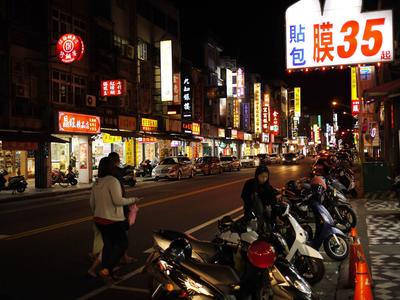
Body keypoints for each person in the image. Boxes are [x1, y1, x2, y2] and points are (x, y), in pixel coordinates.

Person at [89, 157, 140, 282]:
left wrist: (98, 213)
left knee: (108, 245)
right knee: (122, 244)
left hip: (99, 219)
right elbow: (118, 201)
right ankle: (106, 269)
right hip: (113, 220)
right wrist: (133, 199)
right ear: (111, 168)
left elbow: (92, 203)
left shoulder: (97, 182)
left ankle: (108, 272)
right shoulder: (112, 181)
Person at [108, 152, 137, 264]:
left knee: (109, 235)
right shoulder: (115, 173)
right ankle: (113, 262)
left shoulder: (103, 176)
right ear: (116, 161)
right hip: (118, 208)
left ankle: (122, 256)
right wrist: (131, 201)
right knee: (122, 233)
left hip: (105, 210)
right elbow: (118, 198)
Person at [240, 165, 279, 233]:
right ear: (257, 175)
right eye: (262, 176)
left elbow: (273, 201)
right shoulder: (250, 184)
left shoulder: (268, 187)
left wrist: (274, 214)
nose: (264, 179)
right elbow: (244, 196)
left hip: (265, 215)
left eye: (266, 177)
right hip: (252, 214)